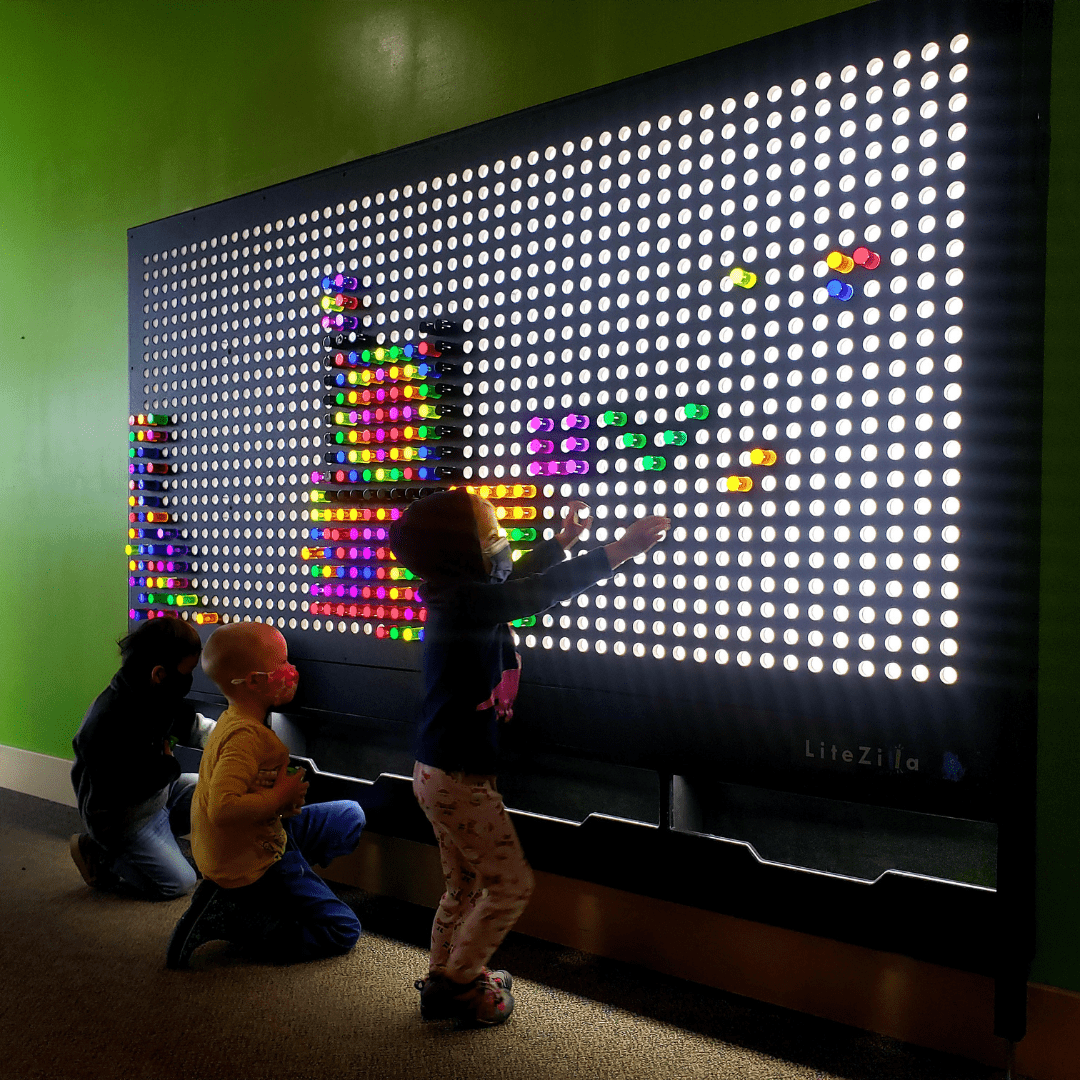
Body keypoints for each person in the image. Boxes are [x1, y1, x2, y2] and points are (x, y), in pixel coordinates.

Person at [389, 488, 669, 1026]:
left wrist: (560, 541)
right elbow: (532, 593)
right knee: (509, 886)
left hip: (439, 770)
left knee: (462, 886)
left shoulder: (457, 594)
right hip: (458, 777)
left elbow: (517, 585)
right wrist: (619, 550)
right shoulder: (464, 602)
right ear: (462, 552)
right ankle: (459, 983)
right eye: (491, 534)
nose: (503, 544)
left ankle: (444, 973)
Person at [166, 621, 365, 969]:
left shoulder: (236, 721)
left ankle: (269, 896)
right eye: (283, 664)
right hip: (253, 856)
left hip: (262, 832)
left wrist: (278, 800)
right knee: (343, 929)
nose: (292, 671)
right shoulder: (244, 738)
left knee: (349, 815)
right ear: (255, 682)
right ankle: (248, 921)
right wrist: (277, 798)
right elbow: (223, 809)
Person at [70, 616, 215, 900]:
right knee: (179, 883)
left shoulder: (157, 694)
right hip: (124, 821)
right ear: (160, 673)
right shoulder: (109, 721)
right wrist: (168, 766)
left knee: (213, 791)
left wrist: (233, 740)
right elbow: (127, 783)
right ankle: (101, 854)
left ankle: (156, 845)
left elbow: (192, 726)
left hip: (158, 797)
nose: (190, 679)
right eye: (187, 671)